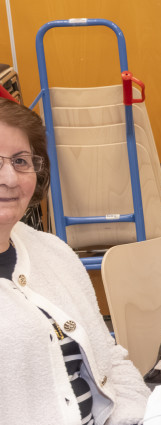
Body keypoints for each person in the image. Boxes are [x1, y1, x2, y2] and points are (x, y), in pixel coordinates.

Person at [0, 98, 149, 424]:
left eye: (21, 161)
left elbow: (110, 359)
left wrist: (134, 416)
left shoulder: (53, 252)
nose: (10, 178)